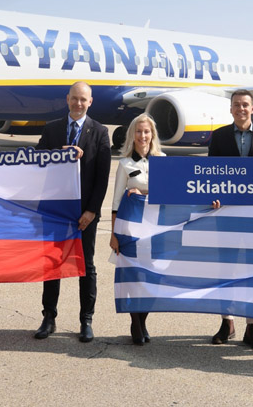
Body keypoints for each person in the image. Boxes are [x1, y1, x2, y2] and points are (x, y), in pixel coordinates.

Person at [34, 81, 111, 343]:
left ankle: (86, 320)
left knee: (86, 266)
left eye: (83, 99)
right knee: (52, 265)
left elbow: (102, 177)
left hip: (84, 213)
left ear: (90, 102)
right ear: (67, 99)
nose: (78, 103)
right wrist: (58, 154)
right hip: (55, 210)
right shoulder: (52, 129)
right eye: (75, 98)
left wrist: (92, 211)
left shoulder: (99, 132)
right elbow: (36, 162)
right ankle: (49, 317)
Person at [207, 89, 253, 350]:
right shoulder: (219, 137)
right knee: (226, 270)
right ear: (231, 109)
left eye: (245, 105)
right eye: (236, 105)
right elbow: (210, 175)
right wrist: (213, 197)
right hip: (226, 216)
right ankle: (227, 322)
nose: (241, 109)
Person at [109, 113, 165, 345]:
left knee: (152, 278)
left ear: (153, 135)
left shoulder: (163, 160)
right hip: (131, 227)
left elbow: (169, 193)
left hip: (156, 228)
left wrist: (142, 192)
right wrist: (113, 235)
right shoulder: (124, 164)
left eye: (147, 131)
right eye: (139, 132)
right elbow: (115, 202)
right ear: (133, 135)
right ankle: (135, 322)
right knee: (133, 276)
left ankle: (143, 320)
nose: (143, 136)